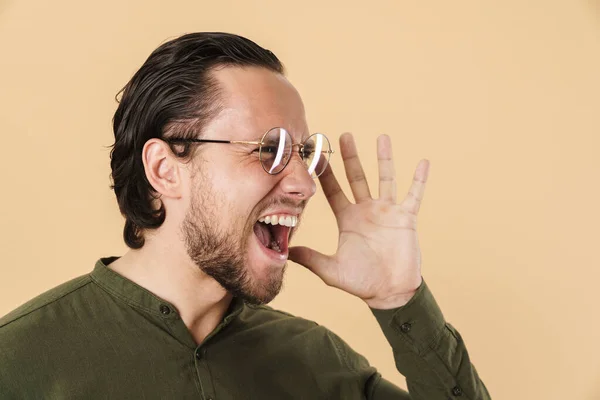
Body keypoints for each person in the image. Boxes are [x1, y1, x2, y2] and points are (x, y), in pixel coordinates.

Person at [0, 32, 490, 399]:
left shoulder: (318, 362)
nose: (304, 183)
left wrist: (401, 300)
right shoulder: (18, 362)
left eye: (303, 151)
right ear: (165, 169)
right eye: (269, 149)